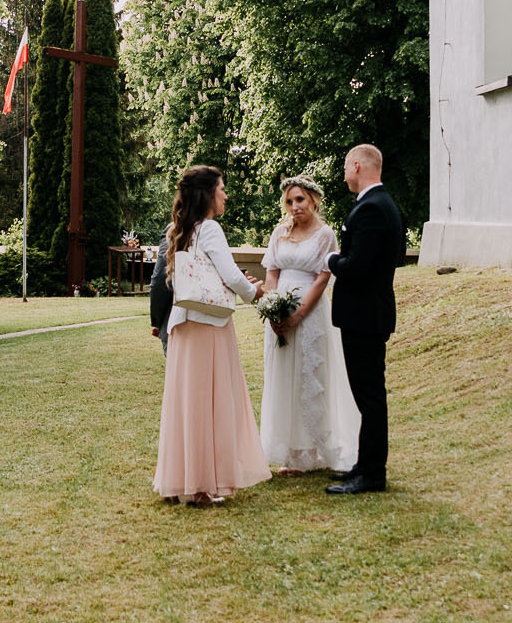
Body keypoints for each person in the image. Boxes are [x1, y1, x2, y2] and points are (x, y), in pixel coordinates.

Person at [152, 165, 269, 504]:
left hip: (183, 323)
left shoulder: (179, 230)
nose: (226, 195)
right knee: (210, 402)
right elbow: (230, 275)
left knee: (186, 402)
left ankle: (179, 480)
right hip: (209, 324)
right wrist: (254, 292)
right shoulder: (211, 229)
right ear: (207, 194)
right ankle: (201, 486)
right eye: (221, 189)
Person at [258, 175, 361, 473]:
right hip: (280, 313)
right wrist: (273, 309)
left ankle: (311, 450)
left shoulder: (325, 235)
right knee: (283, 377)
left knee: (308, 378)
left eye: (300, 199)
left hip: (310, 313)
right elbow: (272, 272)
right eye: (289, 201)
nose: (295, 206)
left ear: (313, 200)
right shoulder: (280, 232)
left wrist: (298, 315)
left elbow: (322, 279)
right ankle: (289, 450)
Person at [322, 144, 406, 495]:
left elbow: (357, 266)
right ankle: (364, 465)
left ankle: (372, 474)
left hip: (365, 315)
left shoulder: (372, 208)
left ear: (357, 165)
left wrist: (331, 261)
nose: (344, 174)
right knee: (366, 395)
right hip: (366, 314)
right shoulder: (379, 204)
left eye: (345, 167)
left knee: (369, 397)